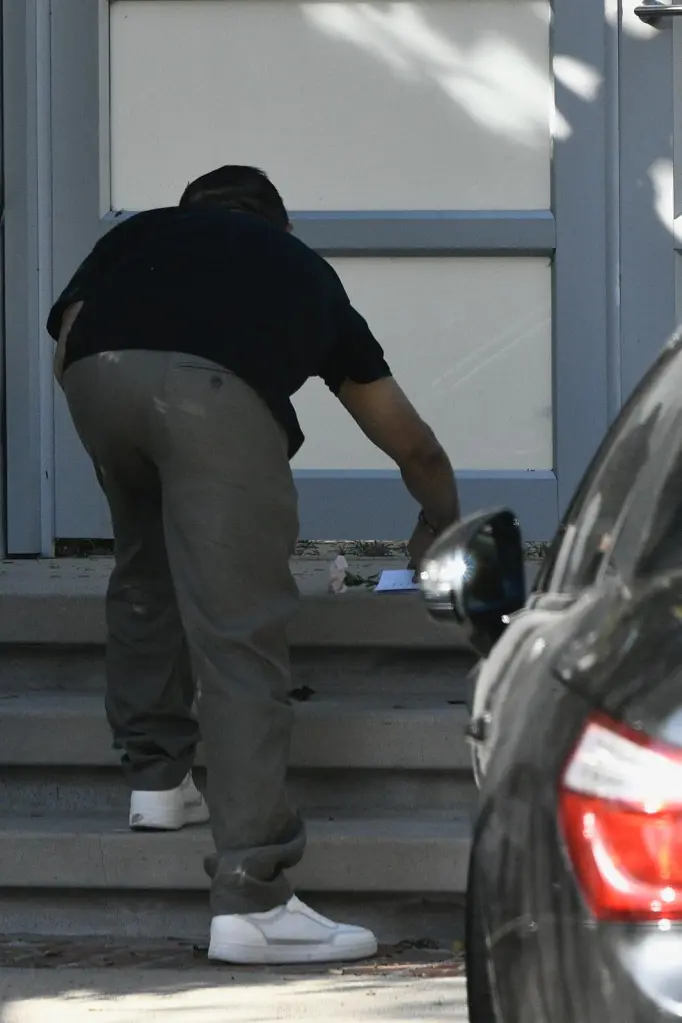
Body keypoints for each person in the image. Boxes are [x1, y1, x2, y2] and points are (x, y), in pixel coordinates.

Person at [47, 166, 460, 966]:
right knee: (239, 635)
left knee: (144, 571)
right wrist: (439, 519)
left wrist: (111, 418)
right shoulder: (299, 268)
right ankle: (254, 899)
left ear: (189, 214)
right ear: (283, 225)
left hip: (96, 380)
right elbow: (412, 441)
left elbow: (68, 330)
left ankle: (159, 783)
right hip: (211, 399)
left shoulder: (138, 235)